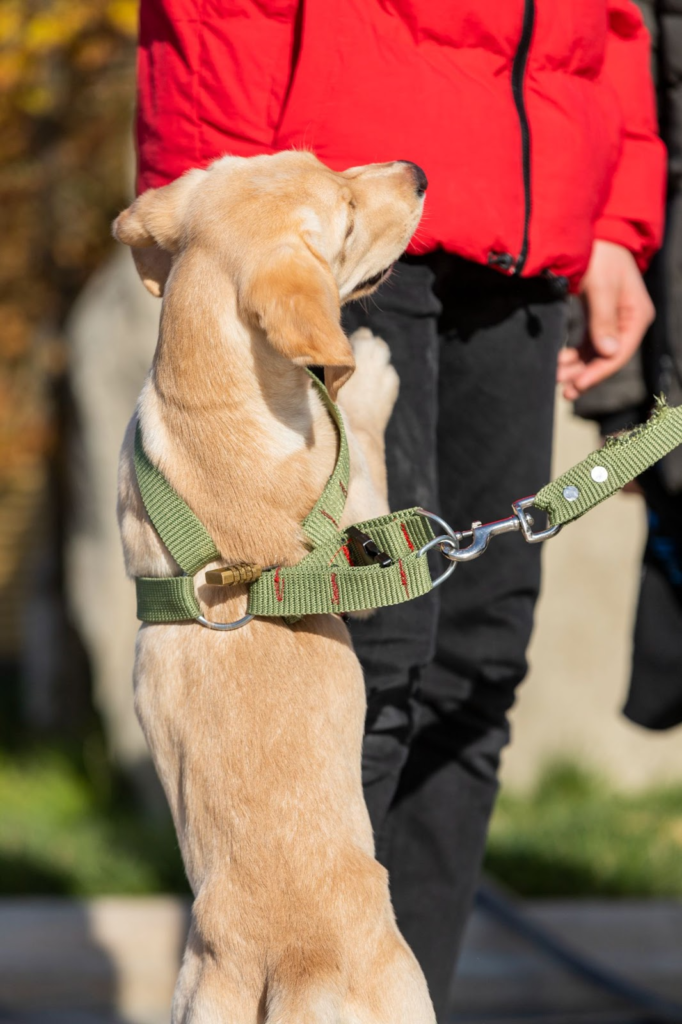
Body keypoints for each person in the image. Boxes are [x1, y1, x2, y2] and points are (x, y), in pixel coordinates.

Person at [134, 2, 665, 1017]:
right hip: (334, 206)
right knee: (370, 632)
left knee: (478, 657)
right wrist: (208, 208)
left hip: (532, 210)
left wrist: (608, 214)